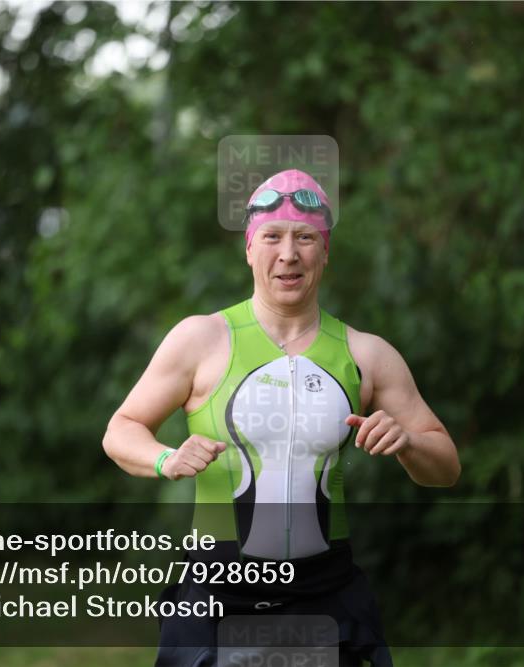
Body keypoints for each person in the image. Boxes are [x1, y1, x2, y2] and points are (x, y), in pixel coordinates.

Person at [103, 169, 460, 666]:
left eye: (305, 238)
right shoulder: (201, 339)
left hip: (325, 595)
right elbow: (121, 429)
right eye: (272, 236)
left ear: (325, 251)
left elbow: (446, 465)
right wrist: (166, 458)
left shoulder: (367, 354)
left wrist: (409, 442)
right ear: (249, 248)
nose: (289, 254)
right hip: (219, 592)